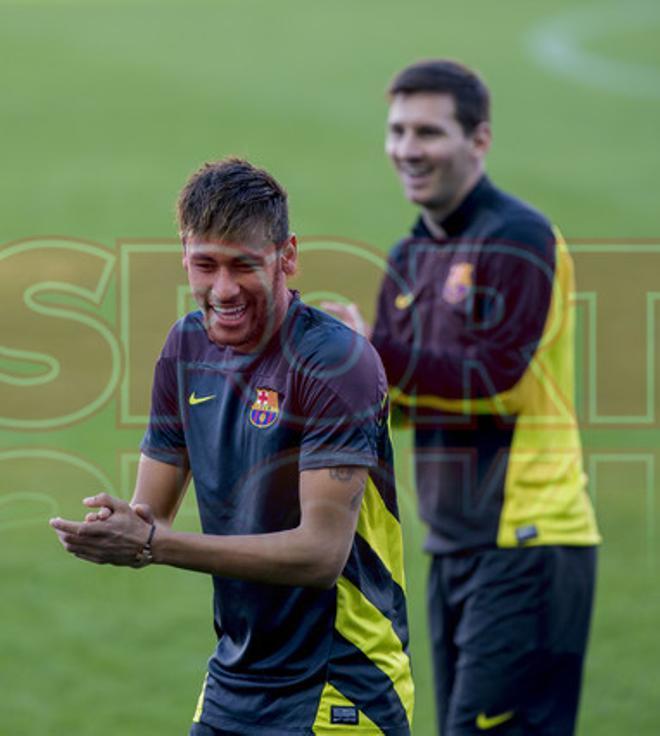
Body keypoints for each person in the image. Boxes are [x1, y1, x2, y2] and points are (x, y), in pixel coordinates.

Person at [50, 158, 414, 736]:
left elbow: (321, 555)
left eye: (243, 266)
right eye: (205, 265)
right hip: (234, 680)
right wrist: (121, 529)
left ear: (287, 256)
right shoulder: (185, 348)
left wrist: (153, 543)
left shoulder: (335, 363)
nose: (222, 289)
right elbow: (153, 516)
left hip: (339, 683)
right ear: (184, 257)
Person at [324, 60, 600, 735]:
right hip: (453, 544)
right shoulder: (410, 256)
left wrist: (373, 351)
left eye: (429, 132)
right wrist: (334, 366)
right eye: (396, 131)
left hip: (528, 539)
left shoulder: (518, 238)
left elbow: (494, 375)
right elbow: (408, 399)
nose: (407, 149)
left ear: (479, 140)